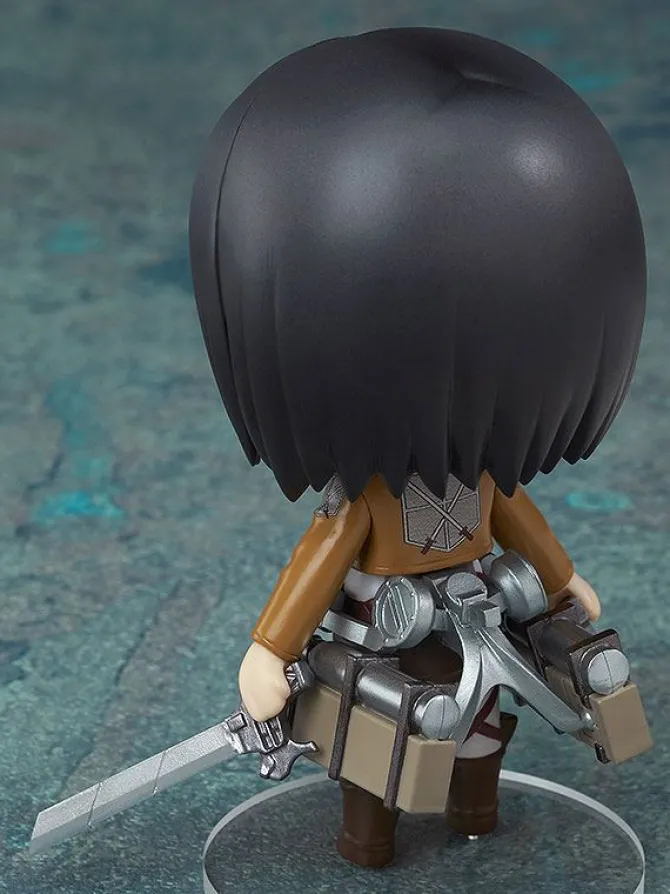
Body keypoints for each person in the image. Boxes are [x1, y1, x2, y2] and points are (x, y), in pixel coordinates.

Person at [188, 28, 646, 868]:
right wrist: (272, 648)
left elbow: (515, 515)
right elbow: (325, 554)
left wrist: (558, 580)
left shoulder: (483, 473)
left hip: (482, 608)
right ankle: (368, 841)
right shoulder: (369, 499)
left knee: (485, 726)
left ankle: (477, 810)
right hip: (386, 626)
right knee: (387, 736)